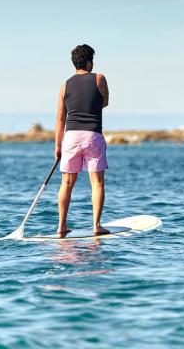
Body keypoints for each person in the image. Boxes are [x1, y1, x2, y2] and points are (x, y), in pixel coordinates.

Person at [55, 44, 109, 238]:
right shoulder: (99, 78)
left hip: (70, 137)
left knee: (66, 183)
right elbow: (105, 102)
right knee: (97, 183)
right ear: (89, 62)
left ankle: (61, 226)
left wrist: (58, 146)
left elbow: (61, 119)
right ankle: (96, 225)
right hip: (92, 135)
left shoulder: (64, 86)